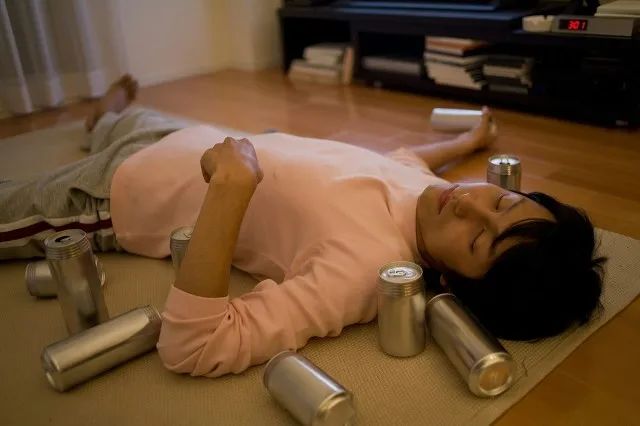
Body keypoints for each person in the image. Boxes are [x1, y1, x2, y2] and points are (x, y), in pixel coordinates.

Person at [0, 76, 605, 377]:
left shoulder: (362, 270)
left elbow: (194, 346)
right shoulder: (423, 189)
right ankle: (106, 115)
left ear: (449, 283)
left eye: (476, 239)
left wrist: (231, 189)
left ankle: (105, 124)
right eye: (502, 202)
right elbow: (402, 157)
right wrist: (467, 140)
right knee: (131, 120)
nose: (468, 205)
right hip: (185, 137)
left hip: (115, 192)